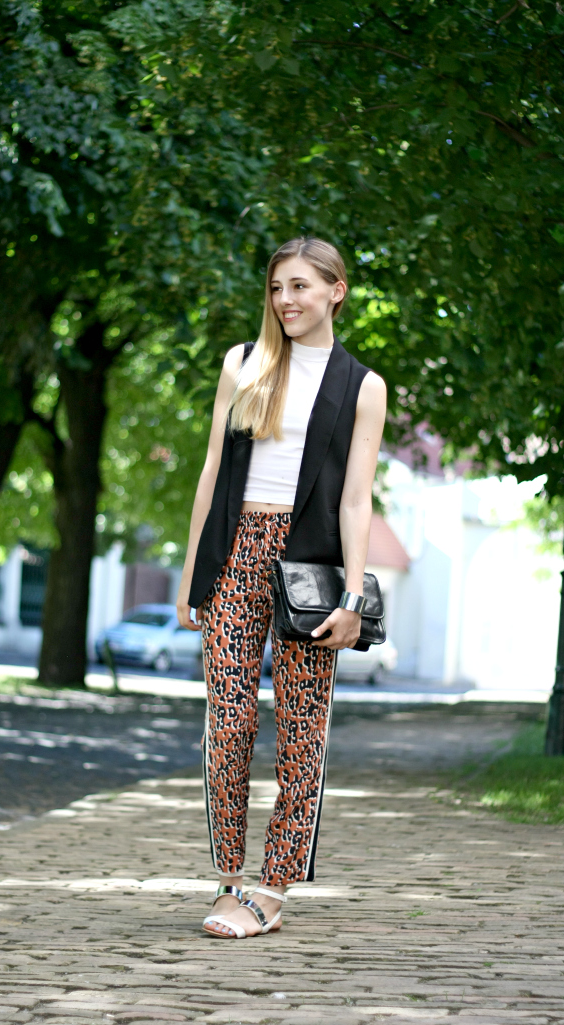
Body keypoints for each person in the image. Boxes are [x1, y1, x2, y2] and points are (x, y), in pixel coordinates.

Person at [176, 236, 387, 939]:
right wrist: (192, 575)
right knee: (228, 722)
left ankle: (273, 887)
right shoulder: (244, 362)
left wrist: (352, 599)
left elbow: (355, 499)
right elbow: (212, 470)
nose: (285, 300)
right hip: (235, 552)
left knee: (302, 728)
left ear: (335, 290)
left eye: (299, 286)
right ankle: (229, 877)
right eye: (276, 287)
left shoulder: (361, 385)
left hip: (310, 569)